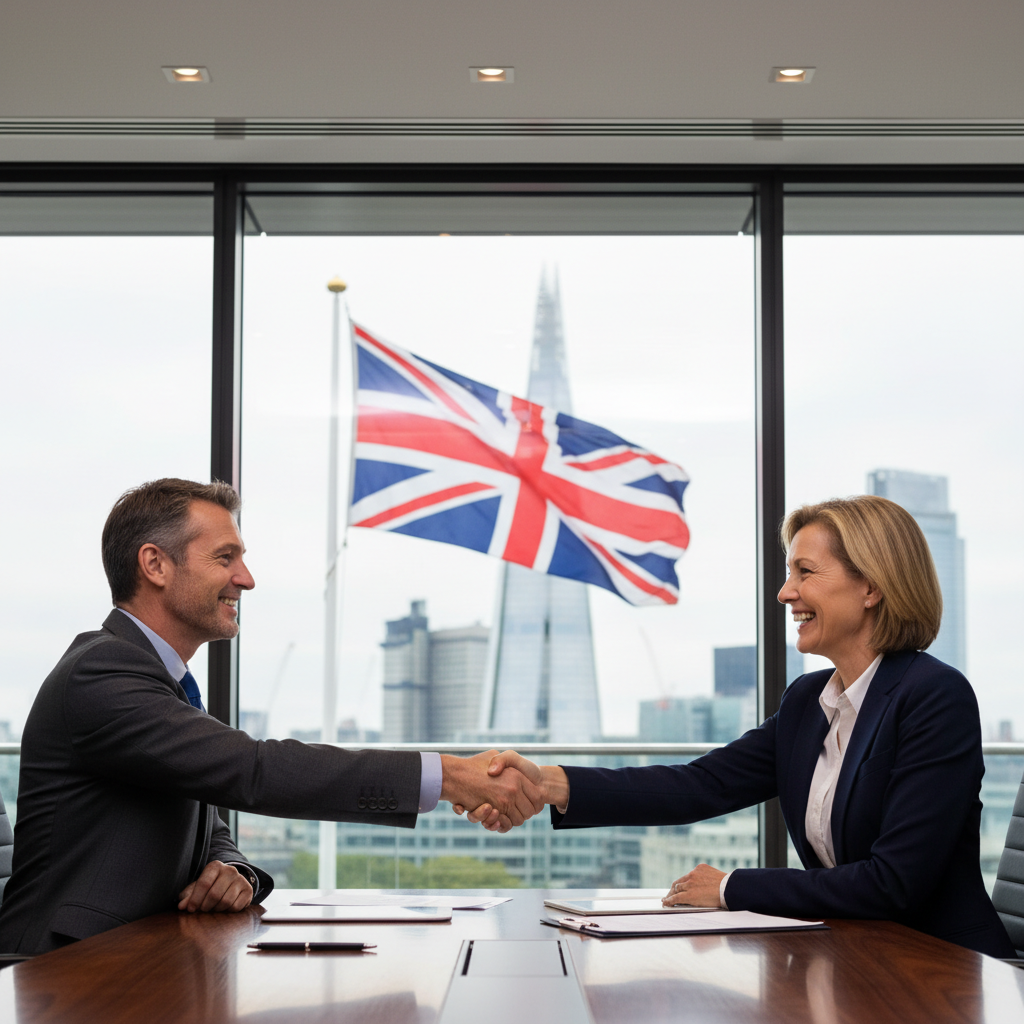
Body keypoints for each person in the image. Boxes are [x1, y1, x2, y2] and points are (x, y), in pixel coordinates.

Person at [0, 478, 543, 955]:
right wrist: (447, 775)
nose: (247, 578)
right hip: (61, 973)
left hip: (138, 959)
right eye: (224, 557)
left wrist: (235, 871)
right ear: (155, 565)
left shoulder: (158, 682)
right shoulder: (103, 673)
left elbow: (208, 827)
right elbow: (252, 770)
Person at [463, 495, 1015, 958]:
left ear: (870, 588)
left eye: (805, 572)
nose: (784, 593)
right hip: (857, 956)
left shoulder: (933, 697)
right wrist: (547, 782)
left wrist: (729, 888)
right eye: (786, 573)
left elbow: (892, 883)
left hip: (943, 969)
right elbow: (698, 784)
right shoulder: (808, 702)